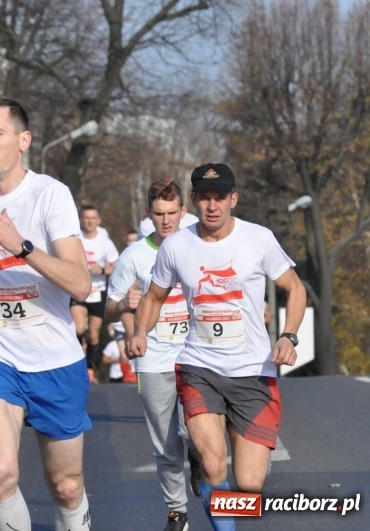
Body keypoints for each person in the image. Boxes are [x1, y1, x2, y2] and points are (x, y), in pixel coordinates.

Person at [127, 163, 307, 531]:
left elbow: (296, 288)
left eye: (220, 197)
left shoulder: (258, 238)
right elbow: (154, 296)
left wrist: (288, 335)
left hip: (252, 371)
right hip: (199, 367)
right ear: (193, 201)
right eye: (205, 197)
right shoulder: (177, 245)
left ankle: (248, 465)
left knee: (250, 485)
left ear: (233, 199)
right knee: (211, 464)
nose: (212, 205)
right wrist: (140, 333)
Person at [0, 94, 93, 531]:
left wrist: (22, 246)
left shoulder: (51, 195)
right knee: (0, 471)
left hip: (54, 358)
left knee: (65, 485)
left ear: (23, 139)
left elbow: (80, 283)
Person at [105, 179, 196, 531]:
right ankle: (177, 511)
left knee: (197, 434)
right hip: (154, 358)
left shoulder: (195, 245)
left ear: (183, 211)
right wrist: (125, 309)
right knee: (165, 442)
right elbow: (110, 310)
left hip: (194, 356)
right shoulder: (134, 257)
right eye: (159, 214)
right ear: (148, 214)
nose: (166, 220)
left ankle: (199, 457)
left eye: (172, 213)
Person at [69, 204, 119, 384]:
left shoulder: (105, 242)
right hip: (78, 288)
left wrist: (103, 269)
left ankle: (90, 368)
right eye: (86, 218)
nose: (89, 221)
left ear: (98, 220)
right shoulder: (75, 238)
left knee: (94, 334)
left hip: (98, 291)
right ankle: (74, 362)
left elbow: (116, 266)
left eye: (93, 218)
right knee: (79, 328)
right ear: (81, 220)